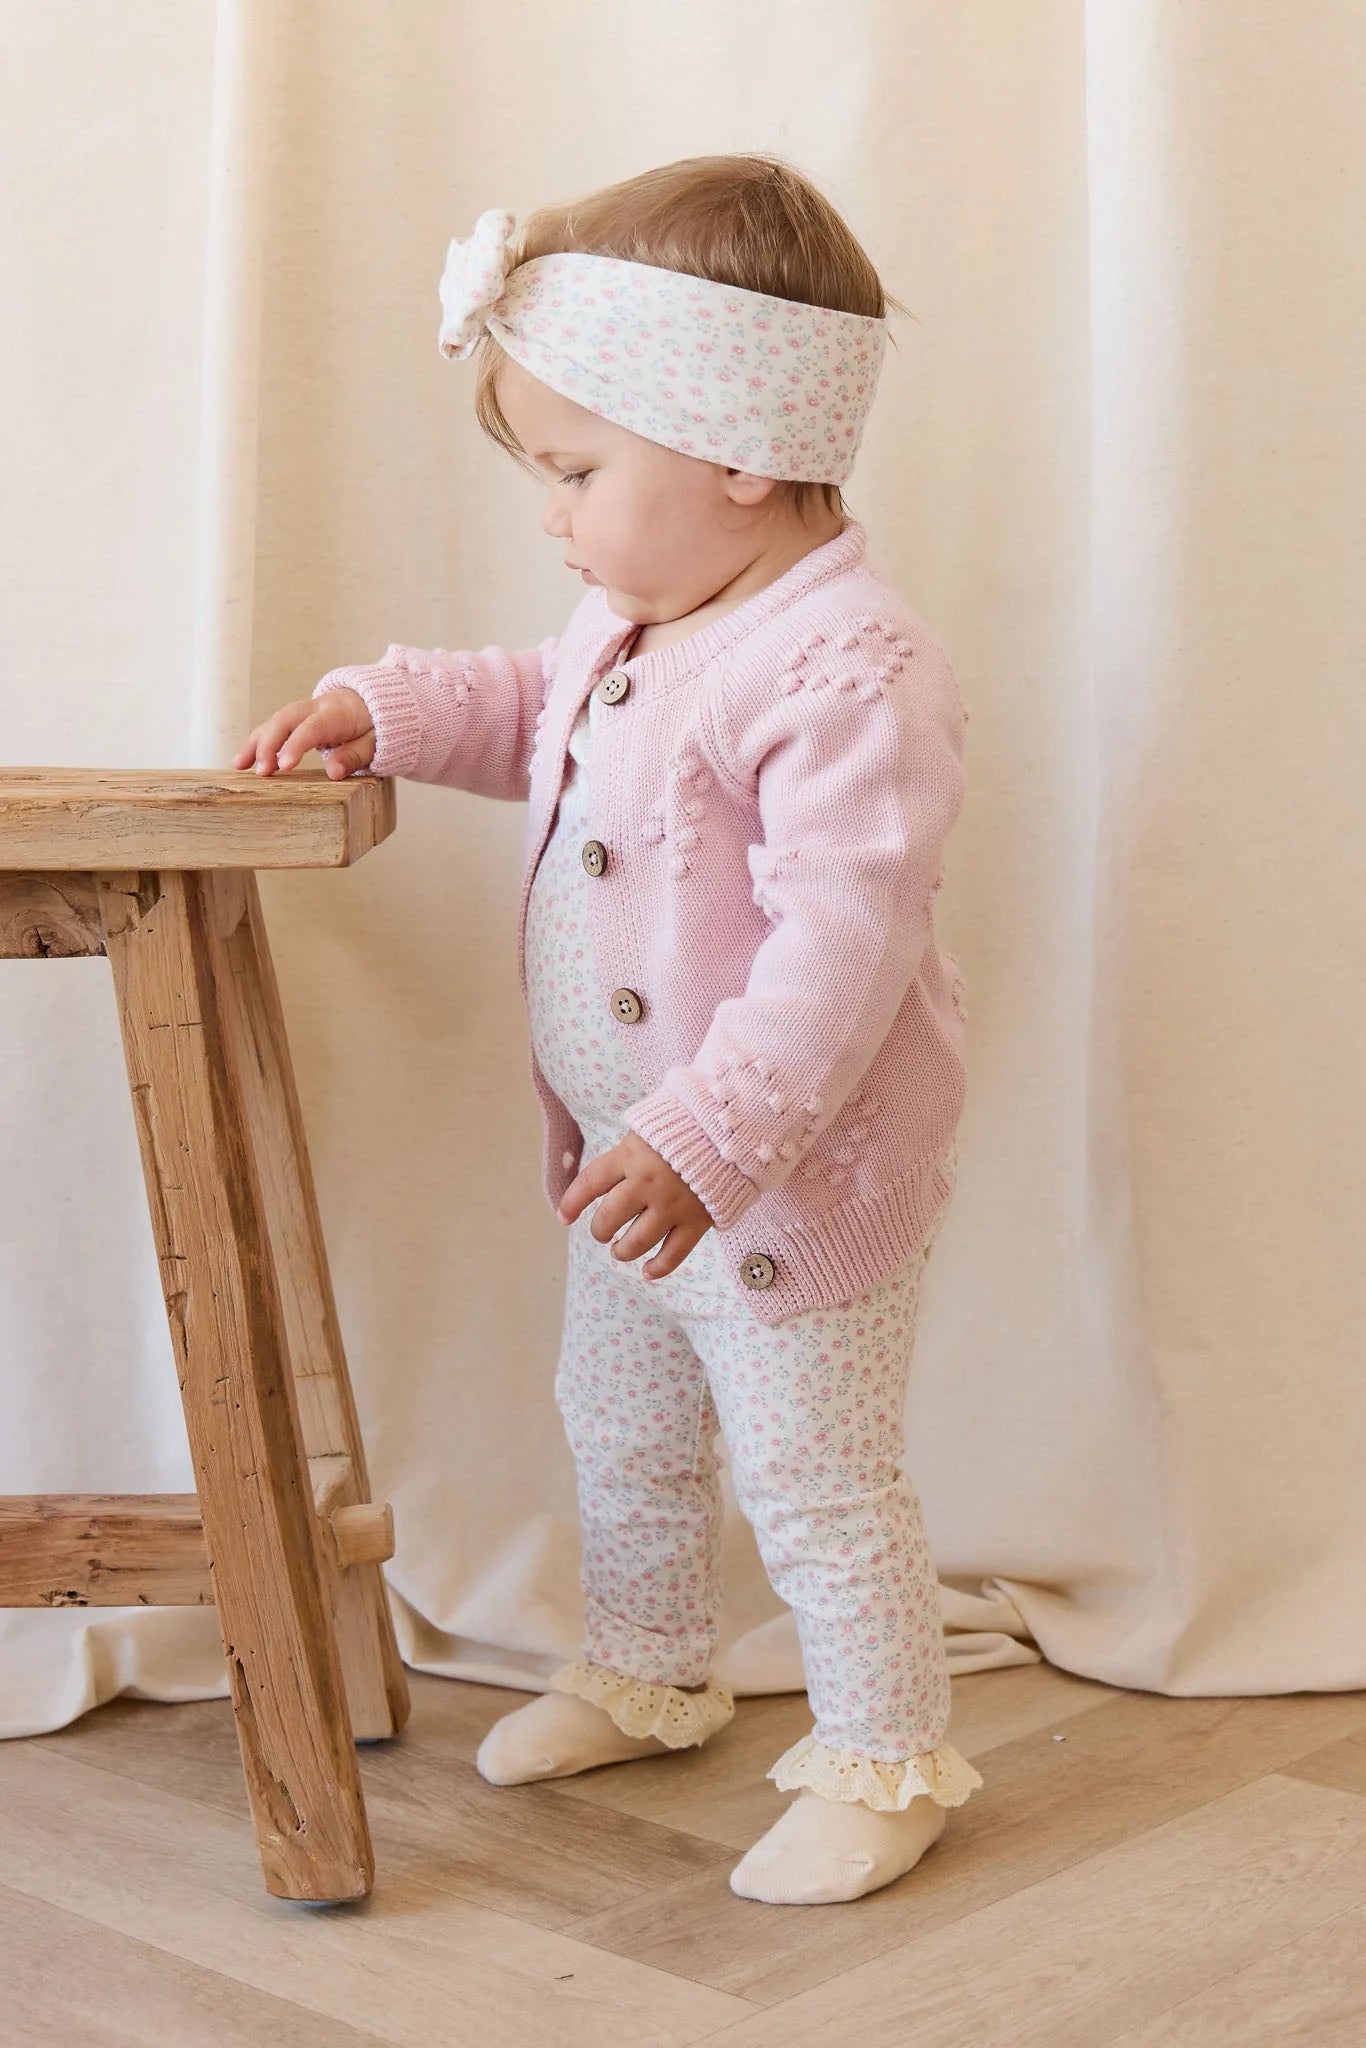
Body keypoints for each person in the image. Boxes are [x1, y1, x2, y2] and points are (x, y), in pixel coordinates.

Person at [235, 153, 982, 1906]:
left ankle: (885, 1757)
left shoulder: (844, 669)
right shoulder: (637, 621)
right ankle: (650, 1672)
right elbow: (536, 710)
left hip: (777, 1188)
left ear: (741, 449)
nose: (552, 519)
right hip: (629, 1176)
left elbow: (842, 948)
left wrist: (710, 1142)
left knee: (812, 1474)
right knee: (620, 1425)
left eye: (574, 473)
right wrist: (387, 709)